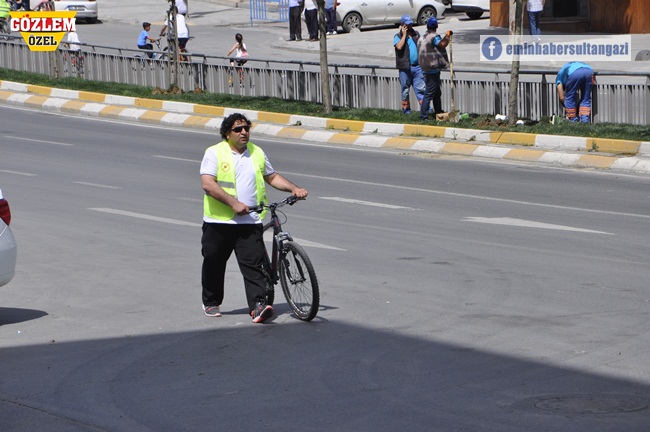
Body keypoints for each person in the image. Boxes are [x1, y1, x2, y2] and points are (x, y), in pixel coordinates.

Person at [200, 113, 308, 323]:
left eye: (246, 128)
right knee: (214, 262)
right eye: (238, 129)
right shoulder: (214, 153)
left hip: (249, 221)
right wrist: (233, 203)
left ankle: (258, 305)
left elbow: (272, 177)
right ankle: (211, 301)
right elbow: (208, 184)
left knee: (255, 265)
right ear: (227, 133)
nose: (244, 133)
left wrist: (294, 188)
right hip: (219, 222)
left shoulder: (256, 152)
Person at [417, 17, 452, 121]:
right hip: (432, 69)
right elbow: (442, 44)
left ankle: (438, 112)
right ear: (436, 27)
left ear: (427, 26)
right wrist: (447, 36)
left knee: (437, 93)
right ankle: (423, 117)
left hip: (425, 68)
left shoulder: (422, 37)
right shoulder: (434, 37)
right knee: (429, 94)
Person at [394, 15, 425, 115]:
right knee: (405, 90)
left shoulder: (416, 34)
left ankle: (425, 109)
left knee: (421, 89)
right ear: (402, 25)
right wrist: (404, 35)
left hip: (417, 67)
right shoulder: (397, 36)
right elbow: (399, 47)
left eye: (410, 24)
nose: (409, 26)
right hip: (405, 68)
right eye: (407, 24)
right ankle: (406, 110)